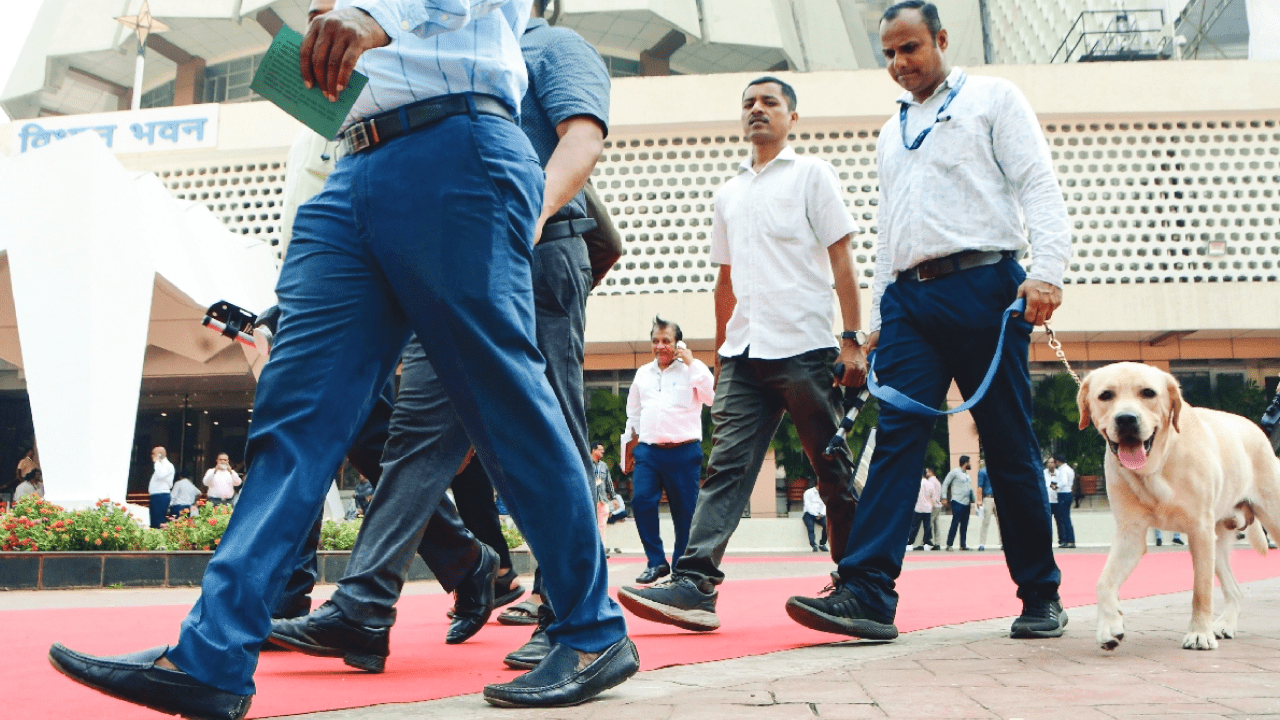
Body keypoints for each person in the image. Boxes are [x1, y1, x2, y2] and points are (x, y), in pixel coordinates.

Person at [48, 1, 637, 715]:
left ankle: (590, 628)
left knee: (502, 399)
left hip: (459, 142)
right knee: (292, 416)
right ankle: (212, 655)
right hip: (353, 162)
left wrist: (372, 14)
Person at [266, 0, 619, 677]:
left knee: (542, 423)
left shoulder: (551, 45)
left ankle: (568, 610)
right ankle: (365, 604)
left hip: (528, 243)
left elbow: (582, 138)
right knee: (417, 437)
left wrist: (528, 218)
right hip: (440, 229)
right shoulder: (414, 49)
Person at [785, 0, 1070, 642]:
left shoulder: (994, 98)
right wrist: (877, 318)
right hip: (910, 302)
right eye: (888, 53)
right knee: (897, 438)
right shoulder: (893, 131)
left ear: (941, 38)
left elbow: (1038, 185)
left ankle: (1040, 594)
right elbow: (890, 230)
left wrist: (1046, 271)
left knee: (1007, 441)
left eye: (910, 48)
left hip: (987, 287)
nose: (899, 63)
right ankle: (867, 593)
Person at [617, 76, 868, 633]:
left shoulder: (812, 175)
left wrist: (853, 337)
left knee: (830, 468)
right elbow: (724, 281)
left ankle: (858, 583)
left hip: (806, 347)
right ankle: (695, 583)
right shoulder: (728, 194)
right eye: (749, 103)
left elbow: (843, 260)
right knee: (725, 467)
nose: (757, 110)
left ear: (792, 117)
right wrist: (720, 354)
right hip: (744, 355)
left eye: (770, 103)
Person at [623, 317, 714, 584]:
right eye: (655, 341)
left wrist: (692, 362)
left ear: (677, 344)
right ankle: (656, 562)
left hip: (684, 453)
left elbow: (711, 397)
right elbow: (634, 414)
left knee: (684, 514)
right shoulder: (643, 374)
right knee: (641, 502)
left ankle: (681, 569)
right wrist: (629, 449)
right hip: (649, 452)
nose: (660, 346)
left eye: (666, 341)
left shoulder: (692, 370)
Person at [940, 456, 975, 551]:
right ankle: (949, 544)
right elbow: (946, 483)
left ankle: (963, 544)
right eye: (969, 462)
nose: (970, 464)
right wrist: (944, 497)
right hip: (957, 501)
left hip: (966, 502)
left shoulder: (967, 475)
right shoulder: (955, 472)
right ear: (965, 463)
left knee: (964, 524)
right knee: (955, 522)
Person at [591, 442, 618, 553]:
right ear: (593, 450)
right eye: (600, 449)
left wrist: (614, 497)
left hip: (602, 500)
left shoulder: (604, 466)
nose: (603, 452)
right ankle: (592, 551)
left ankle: (601, 551)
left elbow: (609, 483)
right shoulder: (586, 464)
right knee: (591, 526)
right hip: (591, 500)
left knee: (602, 527)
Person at [908, 471, 938, 551]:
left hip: (918, 508)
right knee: (927, 527)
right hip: (927, 509)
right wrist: (933, 505)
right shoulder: (930, 484)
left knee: (914, 527)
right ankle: (926, 543)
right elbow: (933, 498)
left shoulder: (916, 483)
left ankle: (910, 543)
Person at [1051, 454, 1076, 548]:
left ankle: (1069, 540)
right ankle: (1069, 540)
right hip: (1068, 493)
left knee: (1064, 518)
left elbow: (1064, 482)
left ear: (1058, 461)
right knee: (1066, 518)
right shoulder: (1069, 469)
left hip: (1063, 494)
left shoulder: (1062, 470)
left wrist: (1056, 486)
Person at [147, 447, 175, 529]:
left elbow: (160, 475)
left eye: (153, 453)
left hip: (161, 495)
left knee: (158, 522)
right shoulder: (161, 465)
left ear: (160, 454)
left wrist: (157, 462)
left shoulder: (167, 465)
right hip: (156, 496)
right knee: (154, 521)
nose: (152, 456)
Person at [976, 459, 1000, 550]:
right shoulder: (982, 472)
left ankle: (1002, 543)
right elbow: (979, 487)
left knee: (1001, 522)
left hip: (997, 498)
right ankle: (982, 543)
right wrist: (979, 500)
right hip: (988, 498)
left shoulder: (997, 471)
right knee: (986, 521)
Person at [801, 480, 828, 552]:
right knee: (810, 528)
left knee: (827, 525)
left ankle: (822, 544)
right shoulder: (808, 492)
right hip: (809, 514)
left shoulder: (824, 493)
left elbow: (825, 505)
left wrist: (821, 514)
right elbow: (808, 505)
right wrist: (816, 514)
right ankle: (813, 545)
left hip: (820, 514)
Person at [924, 467, 943, 548]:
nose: (926, 473)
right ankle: (937, 543)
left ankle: (927, 542)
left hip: (934, 506)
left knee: (928, 524)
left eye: (927, 471)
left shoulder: (931, 480)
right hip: (938, 505)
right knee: (936, 525)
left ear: (931, 472)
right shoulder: (937, 481)